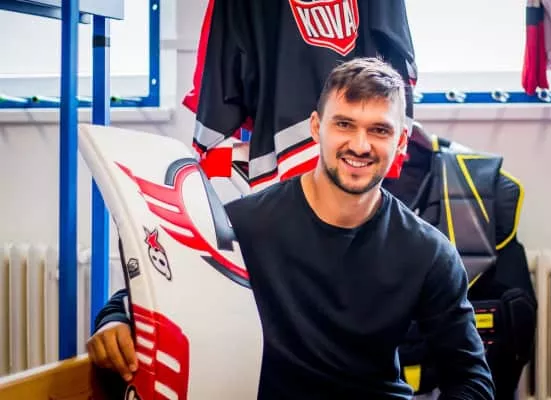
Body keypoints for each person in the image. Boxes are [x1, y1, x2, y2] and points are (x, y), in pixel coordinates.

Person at [87, 57, 495, 399]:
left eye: (379, 130)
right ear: (316, 127)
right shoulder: (242, 225)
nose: (360, 144)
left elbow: (472, 380)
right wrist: (114, 322)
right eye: (344, 124)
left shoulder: (427, 252)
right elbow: (149, 288)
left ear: (401, 140)